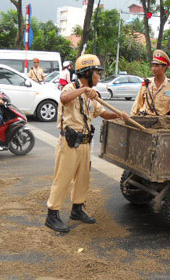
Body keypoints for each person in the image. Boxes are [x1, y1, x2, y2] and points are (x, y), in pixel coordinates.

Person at [45, 54, 129, 233]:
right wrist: (83, 90)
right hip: (69, 143)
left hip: (84, 142)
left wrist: (119, 115)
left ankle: (77, 209)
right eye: (97, 73)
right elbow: (64, 98)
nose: (99, 77)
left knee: (83, 178)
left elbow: (103, 113)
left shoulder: (92, 95)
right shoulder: (71, 88)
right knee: (63, 179)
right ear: (87, 73)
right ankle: (52, 214)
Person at [131, 50, 170, 116]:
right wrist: (132, 117)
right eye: (153, 65)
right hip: (147, 119)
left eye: (157, 66)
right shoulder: (146, 84)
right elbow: (138, 103)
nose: (153, 69)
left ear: (165, 67)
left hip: (164, 121)